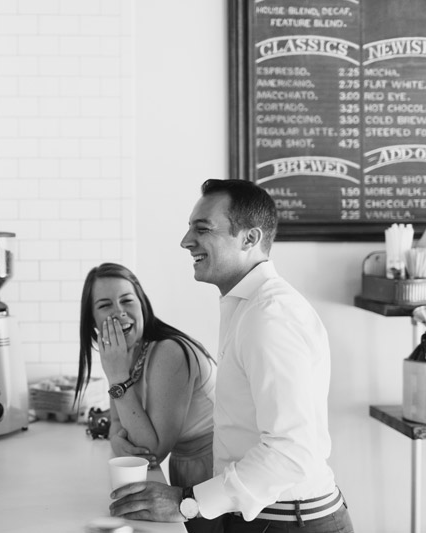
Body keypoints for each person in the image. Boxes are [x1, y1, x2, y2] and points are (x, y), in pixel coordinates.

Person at [108, 180, 354, 532]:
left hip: (291, 522)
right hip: (270, 517)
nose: (185, 241)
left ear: (250, 239)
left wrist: (186, 502)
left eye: (202, 228)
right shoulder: (247, 306)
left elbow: (291, 451)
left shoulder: (269, 316)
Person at [76, 263, 220, 533]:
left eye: (127, 300)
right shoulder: (123, 355)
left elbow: (151, 452)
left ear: (142, 304)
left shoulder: (169, 352)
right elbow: (118, 429)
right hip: (184, 471)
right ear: (93, 322)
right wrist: (120, 439)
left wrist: (117, 375)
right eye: (105, 305)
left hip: (213, 476)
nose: (119, 312)